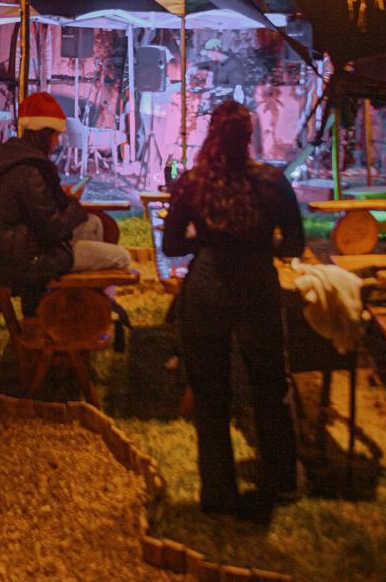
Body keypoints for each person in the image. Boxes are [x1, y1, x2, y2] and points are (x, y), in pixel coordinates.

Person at [161, 101, 305, 514]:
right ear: (249, 137)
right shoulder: (272, 182)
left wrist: (205, 244)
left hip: (206, 290)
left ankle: (217, 492)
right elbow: (294, 245)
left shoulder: (193, 183)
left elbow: (171, 246)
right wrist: (259, 245)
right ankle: (282, 479)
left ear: (212, 135)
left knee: (211, 396)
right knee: (270, 387)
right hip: (257, 289)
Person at [0, 92, 132, 316]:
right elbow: (52, 229)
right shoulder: (30, 170)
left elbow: (36, 211)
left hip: (9, 251)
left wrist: (61, 198)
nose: (58, 142)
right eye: (56, 136)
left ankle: (80, 302)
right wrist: (73, 204)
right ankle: (92, 311)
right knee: (122, 257)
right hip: (27, 259)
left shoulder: (13, 158)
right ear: (45, 134)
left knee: (95, 225)